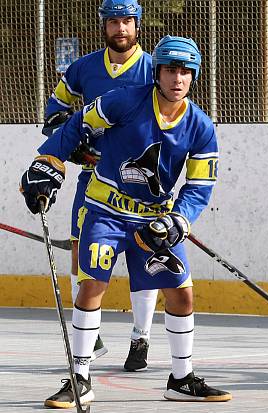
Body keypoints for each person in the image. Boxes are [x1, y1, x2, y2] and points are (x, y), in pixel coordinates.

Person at [20, 35, 231, 407]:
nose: (177, 78)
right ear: (157, 72)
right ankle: (80, 377)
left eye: (185, 71)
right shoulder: (125, 100)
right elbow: (77, 126)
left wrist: (179, 221)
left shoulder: (200, 126)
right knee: (92, 286)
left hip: (155, 222)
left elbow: (199, 186)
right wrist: (49, 160)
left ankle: (180, 379)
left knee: (181, 294)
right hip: (104, 212)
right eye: (170, 70)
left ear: (193, 76)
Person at [42, 0, 157, 373]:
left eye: (127, 21)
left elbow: (170, 120)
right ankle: (92, 335)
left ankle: (141, 337)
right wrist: (75, 149)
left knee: (145, 258)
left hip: (141, 183)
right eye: (113, 22)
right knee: (81, 251)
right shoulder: (84, 68)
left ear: (137, 24)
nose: (120, 28)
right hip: (93, 182)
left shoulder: (154, 68)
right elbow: (55, 113)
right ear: (104, 26)